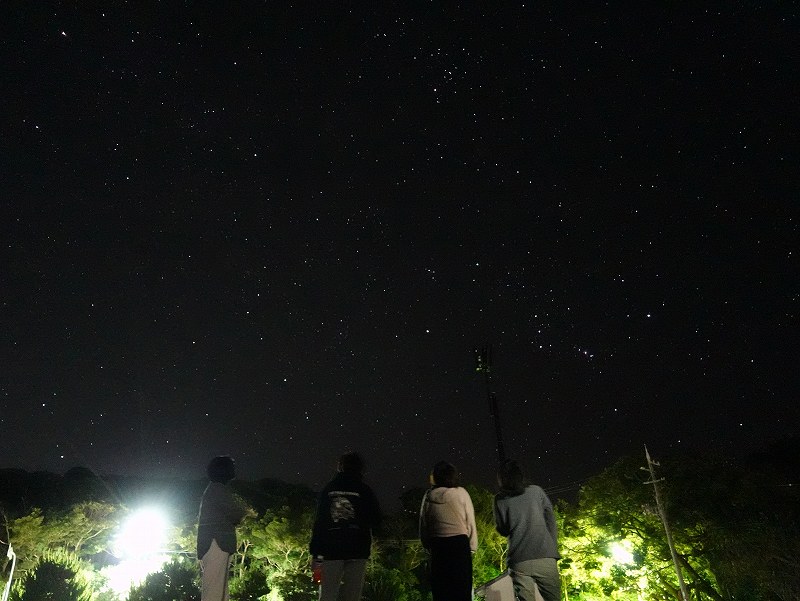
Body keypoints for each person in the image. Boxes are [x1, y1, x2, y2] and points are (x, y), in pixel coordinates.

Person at [310, 451, 382, 601]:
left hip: (330, 549)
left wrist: (316, 553)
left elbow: (320, 522)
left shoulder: (328, 489)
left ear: (340, 467)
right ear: (361, 469)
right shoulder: (365, 490)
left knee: (327, 594)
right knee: (352, 595)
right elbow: (376, 519)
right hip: (357, 549)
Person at [493, 459, 561, 601]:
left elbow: (503, 530)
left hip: (519, 559)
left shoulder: (499, 499)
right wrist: (553, 547)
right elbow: (550, 519)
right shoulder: (536, 491)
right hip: (545, 555)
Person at [419, 461, 478, 601]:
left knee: (441, 592)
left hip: (438, 547)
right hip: (459, 546)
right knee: (462, 592)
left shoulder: (428, 496)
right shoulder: (461, 493)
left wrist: (427, 545)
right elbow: (470, 522)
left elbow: (423, 524)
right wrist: (473, 547)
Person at [197, 456, 250, 601]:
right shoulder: (218, 489)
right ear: (223, 470)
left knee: (216, 590)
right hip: (216, 544)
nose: (234, 471)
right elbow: (236, 513)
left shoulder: (214, 489)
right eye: (231, 467)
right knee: (215, 592)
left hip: (214, 544)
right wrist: (245, 512)